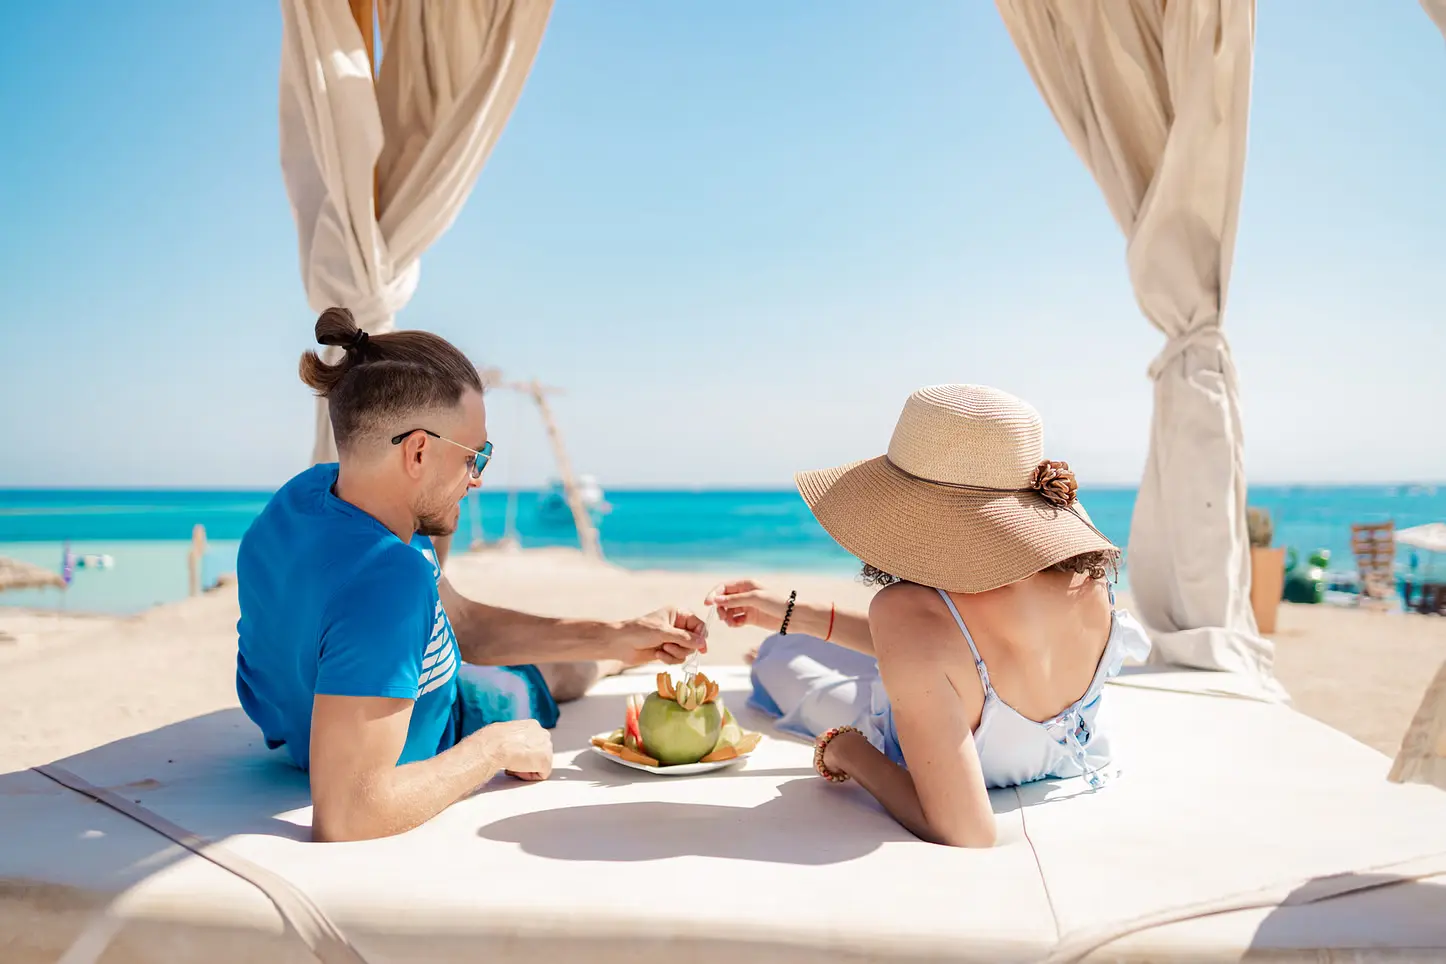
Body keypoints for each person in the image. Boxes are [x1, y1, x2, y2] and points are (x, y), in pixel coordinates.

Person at [236, 307, 707, 842]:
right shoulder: (387, 579)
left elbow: (460, 623)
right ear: (417, 451)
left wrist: (617, 635)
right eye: (474, 456)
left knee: (577, 660)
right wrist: (494, 748)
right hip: (447, 722)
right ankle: (598, 664)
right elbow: (347, 814)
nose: (477, 478)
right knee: (562, 676)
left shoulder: (306, 496)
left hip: (316, 725)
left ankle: (611, 655)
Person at [705, 384, 1150, 848]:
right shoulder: (1086, 579)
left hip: (948, 753)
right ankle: (793, 632)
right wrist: (798, 614)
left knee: (779, 657)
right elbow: (958, 654)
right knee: (795, 640)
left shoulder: (907, 613)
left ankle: (781, 646)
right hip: (1061, 757)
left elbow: (966, 829)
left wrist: (846, 750)